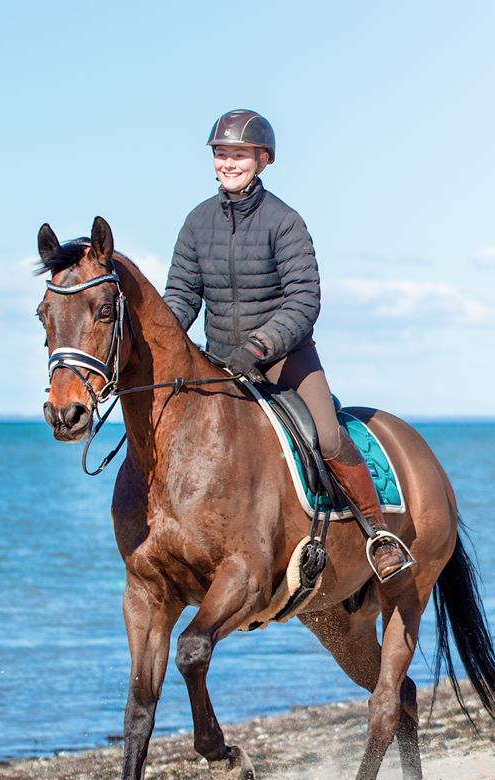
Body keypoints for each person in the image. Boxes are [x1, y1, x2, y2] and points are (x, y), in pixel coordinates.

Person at [163, 109, 411, 581]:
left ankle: (378, 535)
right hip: (219, 360)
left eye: (240, 155)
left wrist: (259, 347)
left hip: (284, 358)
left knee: (327, 436)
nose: (229, 163)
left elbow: (304, 300)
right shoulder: (196, 222)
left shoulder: (284, 221)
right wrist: (165, 338)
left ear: (263, 160)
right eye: (222, 154)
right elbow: (181, 295)